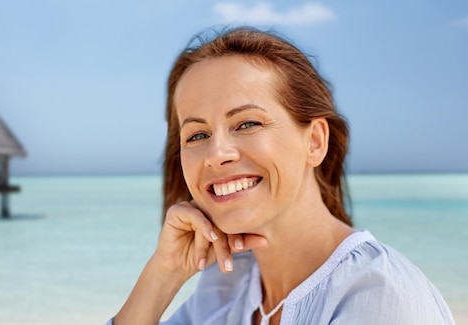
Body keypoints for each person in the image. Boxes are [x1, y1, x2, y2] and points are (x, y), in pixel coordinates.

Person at [110, 27, 455, 325]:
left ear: (315, 142)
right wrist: (163, 273)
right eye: (197, 135)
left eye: (247, 123)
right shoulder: (227, 288)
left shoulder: (380, 299)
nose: (216, 155)